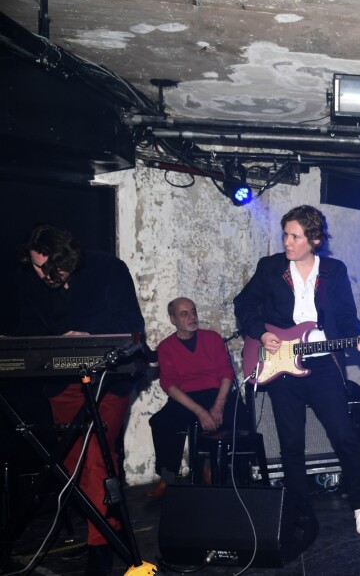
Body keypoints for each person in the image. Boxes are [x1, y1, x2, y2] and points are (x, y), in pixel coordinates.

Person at [233, 204, 360, 536]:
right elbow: (244, 303)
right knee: (291, 445)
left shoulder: (334, 271)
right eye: (285, 234)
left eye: (294, 236)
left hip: (322, 363)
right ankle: (300, 515)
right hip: (281, 366)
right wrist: (262, 332)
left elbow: (346, 315)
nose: (287, 242)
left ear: (314, 239)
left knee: (344, 437)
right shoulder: (270, 267)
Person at [16, 225, 145, 575]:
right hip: (62, 383)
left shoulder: (108, 270)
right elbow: (29, 331)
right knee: (72, 463)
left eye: (49, 268)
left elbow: (131, 327)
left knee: (98, 457)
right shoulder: (36, 284)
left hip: (109, 379)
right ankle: (102, 529)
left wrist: (90, 337)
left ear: (67, 257)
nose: (44, 275)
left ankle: (101, 548)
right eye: (37, 267)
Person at [148, 297, 235, 496]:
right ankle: (167, 476)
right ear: (173, 319)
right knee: (161, 422)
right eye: (184, 314)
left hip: (215, 394)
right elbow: (168, 384)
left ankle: (213, 468)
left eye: (193, 311)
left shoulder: (212, 338)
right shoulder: (166, 347)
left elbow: (226, 373)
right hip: (186, 398)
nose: (192, 317)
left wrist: (218, 405)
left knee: (240, 416)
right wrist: (200, 411)